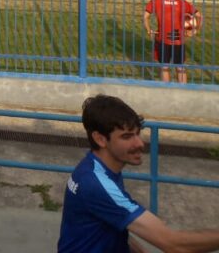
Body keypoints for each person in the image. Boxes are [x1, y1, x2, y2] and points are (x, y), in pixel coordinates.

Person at [57, 94, 219, 253]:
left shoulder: (95, 167)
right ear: (100, 139)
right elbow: (173, 244)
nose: (140, 143)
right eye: (127, 137)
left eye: (138, 133)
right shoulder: (96, 184)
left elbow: (113, 220)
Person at [143, 0, 201, 84]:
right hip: (178, 40)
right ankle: (183, 90)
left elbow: (145, 17)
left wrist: (149, 29)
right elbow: (198, 15)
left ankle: (167, 90)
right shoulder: (181, 1)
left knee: (164, 67)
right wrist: (195, 30)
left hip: (163, 40)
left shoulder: (156, 1)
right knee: (180, 67)